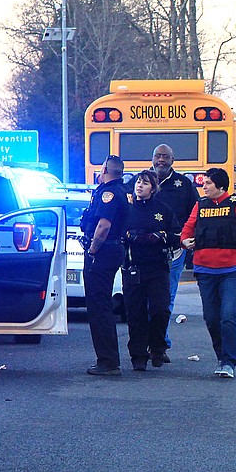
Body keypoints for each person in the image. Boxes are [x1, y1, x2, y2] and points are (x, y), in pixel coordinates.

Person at [180, 168, 236, 379]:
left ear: (220, 186)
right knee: (211, 318)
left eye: (209, 183)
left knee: (228, 316)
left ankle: (229, 362)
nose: (204, 186)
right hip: (204, 270)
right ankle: (221, 357)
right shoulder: (200, 205)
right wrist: (184, 241)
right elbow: (187, 228)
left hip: (232, 271)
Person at [122, 170, 181, 371]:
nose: (140, 186)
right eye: (138, 182)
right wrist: (129, 236)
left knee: (159, 309)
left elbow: (177, 235)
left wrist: (160, 236)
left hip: (158, 267)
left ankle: (157, 348)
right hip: (133, 267)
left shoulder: (163, 210)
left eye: (145, 183)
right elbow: (117, 233)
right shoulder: (127, 209)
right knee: (135, 312)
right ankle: (138, 354)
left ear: (153, 188)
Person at [82, 155, 132, 376]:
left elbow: (103, 226)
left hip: (103, 252)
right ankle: (108, 359)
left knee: (98, 306)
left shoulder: (108, 193)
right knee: (100, 305)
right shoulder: (120, 191)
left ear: (104, 169)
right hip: (112, 250)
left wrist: (92, 250)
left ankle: (108, 361)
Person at [151, 144, 200, 362]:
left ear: (173, 160)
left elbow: (197, 212)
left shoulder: (184, 185)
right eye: (157, 156)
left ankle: (160, 343)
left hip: (174, 250)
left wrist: (188, 239)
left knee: (166, 297)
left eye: (165, 157)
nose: (161, 160)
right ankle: (146, 342)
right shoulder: (141, 182)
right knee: (143, 300)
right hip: (144, 250)